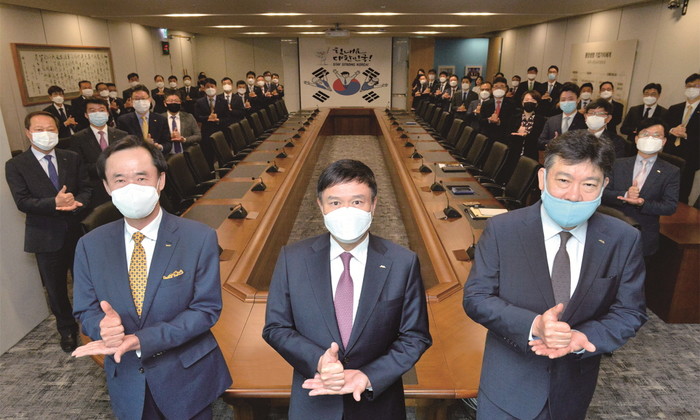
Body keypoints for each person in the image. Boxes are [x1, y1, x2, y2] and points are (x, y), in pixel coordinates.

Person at [464, 130, 648, 420]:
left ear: (604, 185)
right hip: (507, 387)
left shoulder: (622, 239)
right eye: (563, 180)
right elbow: (477, 298)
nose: (574, 195)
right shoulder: (503, 230)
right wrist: (534, 325)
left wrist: (584, 336)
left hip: (572, 390)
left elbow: (630, 312)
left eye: (589, 184)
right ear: (542, 178)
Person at [71, 137, 232, 419]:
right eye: (120, 180)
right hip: (127, 378)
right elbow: (85, 310)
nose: (131, 187)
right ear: (107, 187)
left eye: (141, 177)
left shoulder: (198, 237)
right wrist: (101, 327)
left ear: (160, 181)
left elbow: (205, 310)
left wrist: (141, 340)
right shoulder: (90, 245)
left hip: (186, 376)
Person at [263, 159, 432, 420]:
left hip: (378, 405)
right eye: (335, 202)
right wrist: (318, 360)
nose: (346, 211)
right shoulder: (292, 259)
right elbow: (276, 327)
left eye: (357, 202)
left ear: (373, 205)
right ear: (320, 206)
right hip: (314, 401)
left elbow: (415, 337)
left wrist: (369, 376)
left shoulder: (403, 262)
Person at [5, 111, 92, 352]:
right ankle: (67, 329)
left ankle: (90, 324)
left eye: (51, 129)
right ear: (28, 133)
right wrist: (54, 203)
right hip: (45, 235)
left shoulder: (71, 157)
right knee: (56, 289)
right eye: (39, 129)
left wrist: (78, 203)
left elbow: (86, 189)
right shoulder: (16, 165)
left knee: (86, 282)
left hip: (76, 231)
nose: (46, 134)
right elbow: (22, 201)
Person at [603, 118, 679, 256]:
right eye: (645, 134)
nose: (650, 138)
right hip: (612, 229)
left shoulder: (671, 171)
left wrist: (643, 203)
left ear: (663, 141)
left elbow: (670, 206)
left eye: (656, 135)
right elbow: (602, 193)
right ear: (636, 138)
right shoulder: (617, 164)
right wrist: (625, 195)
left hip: (644, 235)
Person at [70, 98, 128, 207]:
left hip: (122, 186)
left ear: (107, 113)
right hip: (96, 189)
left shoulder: (122, 135)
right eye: (92, 111)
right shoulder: (78, 138)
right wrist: (107, 167)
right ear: (86, 115)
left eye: (101, 110)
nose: (98, 113)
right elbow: (80, 167)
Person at [664, 73, 700, 204]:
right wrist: (672, 130)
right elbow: (663, 127)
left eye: (696, 86)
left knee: (683, 192)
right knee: (665, 186)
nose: (692, 89)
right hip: (670, 153)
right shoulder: (675, 108)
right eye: (689, 86)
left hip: (691, 156)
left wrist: (687, 135)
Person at [117, 85, 172, 153]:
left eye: (143, 98)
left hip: (157, 157)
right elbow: (122, 145)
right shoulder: (123, 121)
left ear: (150, 99)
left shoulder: (161, 119)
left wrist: (159, 147)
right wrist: (144, 144)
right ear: (131, 101)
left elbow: (168, 144)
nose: (140, 102)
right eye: (137, 99)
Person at [538, 82, 587, 149]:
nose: (566, 102)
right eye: (563, 100)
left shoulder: (585, 121)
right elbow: (540, 142)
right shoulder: (551, 121)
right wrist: (552, 142)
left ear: (578, 100)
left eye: (570, 99)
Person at [194, 78, 229, 169]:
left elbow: (227, 117)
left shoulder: (223, 101)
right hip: (206, 132)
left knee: (222, 156)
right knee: (208, 156)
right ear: (204, 89)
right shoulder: (199, 102)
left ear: (216, 87)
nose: (210, 88)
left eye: (212, 86)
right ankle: (210, 175)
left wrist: (218, 120)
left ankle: (224, 173)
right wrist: (207, 118)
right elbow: (197, 117)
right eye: (207, 87)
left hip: (220, 131)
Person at [507, 90, 546, 162]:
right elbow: (507, 135)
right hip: (513, 154)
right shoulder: (514, 117)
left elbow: (539, 140)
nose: (529, 102)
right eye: (527, 100)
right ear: (522, 102)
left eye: (533, 100)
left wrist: (526, 135)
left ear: (537, 104)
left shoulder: (541, 120)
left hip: (531, 155)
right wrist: (517, 134)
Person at [478, 76, 517, 142]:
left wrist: (499, 122)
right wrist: (489, 120)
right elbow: (480, 121)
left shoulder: (511, 104)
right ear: (492, 89)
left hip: (504, 137)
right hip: (488, 136)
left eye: (502, 86)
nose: (499, 89)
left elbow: (512, 123)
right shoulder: (486, 104)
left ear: (506, 89)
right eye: (496, 86)